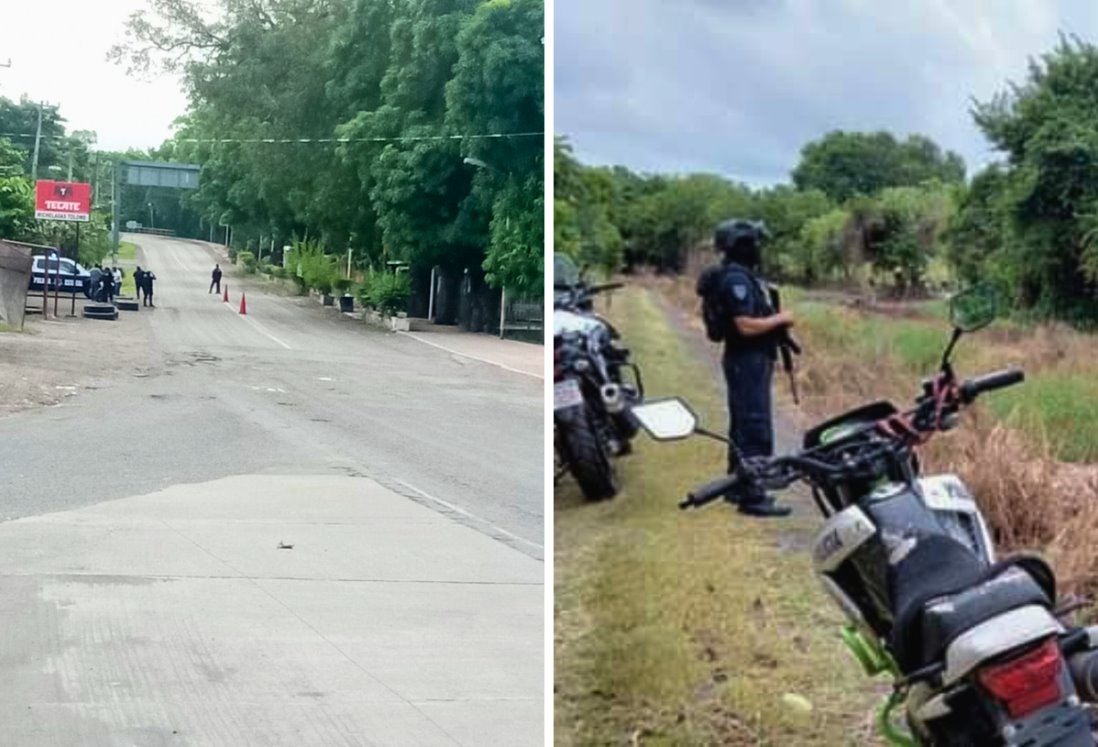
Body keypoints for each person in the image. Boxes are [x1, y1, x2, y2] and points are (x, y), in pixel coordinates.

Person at [710, 219, 795, 517]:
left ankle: (737, 484)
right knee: (753, 425)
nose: (759, 248)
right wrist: (781, 319)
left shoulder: (743, 276)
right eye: (755, 243)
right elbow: (744, 326)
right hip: (746, 359)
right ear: (743, 245)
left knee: (742, 423)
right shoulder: (736, 280)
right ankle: (752, 494)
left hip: (749, 359)